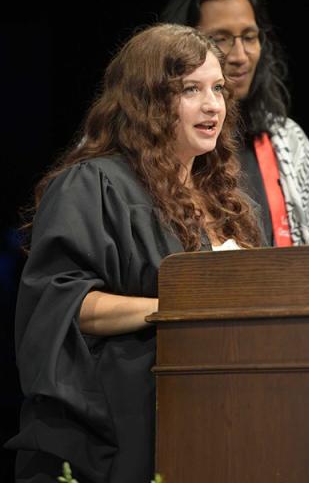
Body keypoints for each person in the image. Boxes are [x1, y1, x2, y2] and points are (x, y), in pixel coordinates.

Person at [7, 23, 263, 482]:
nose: (213, 106)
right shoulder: (95, 185)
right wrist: (175, 310)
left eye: (218, 89)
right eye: (190, 89)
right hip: (117, 438)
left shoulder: (227, 202)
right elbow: (62, 303)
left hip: (217, 424)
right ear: (147, 100)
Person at [161, 0, 309, 247]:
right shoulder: (142, 136)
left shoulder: (285, 139)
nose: (240, 56)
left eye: (249, 37)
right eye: (220, 39)